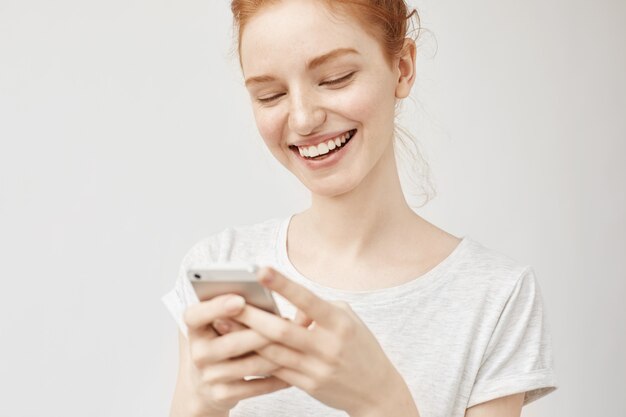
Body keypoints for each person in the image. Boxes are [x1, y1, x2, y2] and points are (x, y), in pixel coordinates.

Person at [161, 0, 559, 416]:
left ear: (402, 68)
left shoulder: (493, 296)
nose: (302, 119)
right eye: (270, 94)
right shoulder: (223, 265)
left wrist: (382, 400)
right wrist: (201, 402)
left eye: (336, 78)